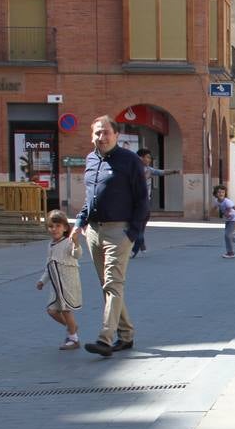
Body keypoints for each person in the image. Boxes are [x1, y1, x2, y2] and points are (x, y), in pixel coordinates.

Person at [71, 115, 148, 357]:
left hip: (119, 231)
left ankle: (105, 338)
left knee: (113, 284)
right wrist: (79, 222)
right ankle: (126, 335)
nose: (101, 137)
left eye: (106, 132)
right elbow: (90, 197)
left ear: (116, 135)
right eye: (97, 133)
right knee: (108, 286)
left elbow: (142, 200)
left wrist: (132, 233)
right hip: (94, 230)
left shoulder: (130, 161)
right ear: (91, 135)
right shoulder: (91, 159)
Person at [36, 209, 82, 350]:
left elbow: (77, 254)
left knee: (66, 310)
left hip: (67, 284)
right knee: (52, 311)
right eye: (51, 226)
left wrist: (76, 242)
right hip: (56, 285)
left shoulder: (68, 242)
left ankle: (73, 338)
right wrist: (42, 280)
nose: (54, 229)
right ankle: (72, 327)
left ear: (65, 227)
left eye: (58, 226)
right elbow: (49, 265)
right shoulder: (50, 245)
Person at [133, 148, 178, 258]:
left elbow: (161, 172)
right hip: (135, 202)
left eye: (150, 158)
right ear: (140, 157)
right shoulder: (133, 169)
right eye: (147, 157)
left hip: (144, 202)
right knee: (137, 226)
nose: (149, 160)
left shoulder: (148, 169)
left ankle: (138, 247)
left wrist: (173, 171)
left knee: (140, 225)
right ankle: (138, 247)